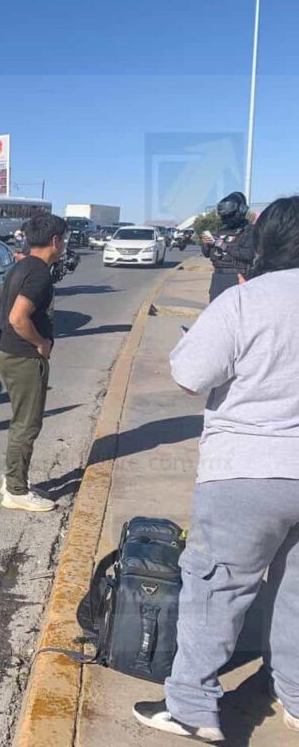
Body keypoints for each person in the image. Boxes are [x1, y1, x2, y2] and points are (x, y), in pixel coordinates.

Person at [133, 195, 299, 743]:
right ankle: (295, 697)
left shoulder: (244, 302)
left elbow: (189, 375)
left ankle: (192, 707)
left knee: (218, 589)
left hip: (246, 472)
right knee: (296, 593)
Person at [0, 213, 67, 513]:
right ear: (55, 241)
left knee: (21, 422)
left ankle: (13, 479)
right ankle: (16, 491)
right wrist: (41, 343)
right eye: (64, 239)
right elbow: (17, 318)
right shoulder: (38, 274)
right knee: (27, 425)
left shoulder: (22, 265)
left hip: (9, 353)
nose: (64, 244)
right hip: (24, 356)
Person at [201, 191, 257, 301]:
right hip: (218, 279)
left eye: (230, 215)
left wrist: (226, 247)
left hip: (238, 278)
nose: (226, 219)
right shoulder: (221, 231)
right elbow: (207, 254)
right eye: (224, 216)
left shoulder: (249, 231)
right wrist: (207, 244)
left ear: (241, 210)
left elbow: (249, 254)